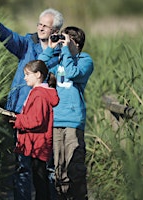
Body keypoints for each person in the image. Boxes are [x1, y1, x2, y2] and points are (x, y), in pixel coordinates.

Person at [0, 8, 64, 200]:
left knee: (45, 167)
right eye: (39, 24)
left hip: (46, 117)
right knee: (22, 165)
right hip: (21, 112)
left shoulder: (60, 53)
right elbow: (11, 39)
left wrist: (54, 49)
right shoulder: (28, 44)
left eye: (45, 26)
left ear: (55, 30)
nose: (40, 28)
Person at [38, 26, 94, 199]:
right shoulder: (59, 60)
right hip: (55, 120)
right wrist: (51, 47)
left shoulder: (85, 60)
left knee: (74, 168)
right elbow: (38, 66)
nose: (62, 43)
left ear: (76, 43)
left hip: (73, 120)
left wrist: (67, 51)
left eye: (66, 40)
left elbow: (72, 72)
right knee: (59, 170)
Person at [10, 60, 59, 200]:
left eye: (27, 74)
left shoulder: (39, 94)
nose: (25, 77)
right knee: (40, 180)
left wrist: (17, 120)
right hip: (38, 143)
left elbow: (37, 120)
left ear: (38, 74)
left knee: (40, 181)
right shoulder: (39, 93)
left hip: (37, 144)